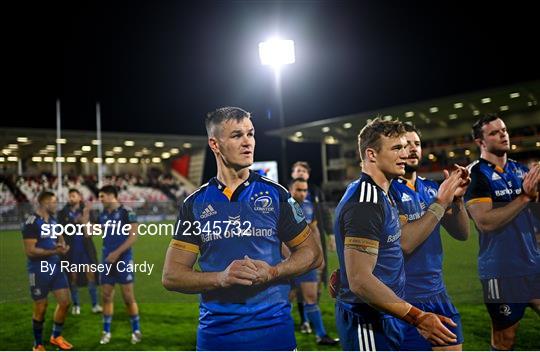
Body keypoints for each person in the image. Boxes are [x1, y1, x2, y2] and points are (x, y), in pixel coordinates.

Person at [162, 106, 322, 350]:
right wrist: (221, 278)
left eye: (251, 134)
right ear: (215, 145)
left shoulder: (276, 195)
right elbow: (171, 275)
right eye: (237, 135)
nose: (248, 142)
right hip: (217, 338)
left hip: (275, 336)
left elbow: (312, 254)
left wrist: (273, 272)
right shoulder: (194, 204)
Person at [334, 118, 461, 350]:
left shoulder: (382, 194)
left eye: (405, 147)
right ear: (371, 154)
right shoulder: (367, 202)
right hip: (368, 321)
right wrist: (419, 317)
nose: (405, 154)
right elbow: (361, 281)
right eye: (396, 148)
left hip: (387, 313)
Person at [390, 123, 470, 350]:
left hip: (437, 292)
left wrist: (457, 200)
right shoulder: (388, 191)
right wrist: (441, 203)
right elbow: (404, 243)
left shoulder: (431, 188)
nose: (413, 148)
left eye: (417, 143)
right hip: (406, 298)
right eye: (406, 144)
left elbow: (462, 233)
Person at [464, 114, 540, 350]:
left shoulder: (521, 170)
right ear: (480, 142)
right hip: (502, 271)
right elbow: (485, 222)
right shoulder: (475, 174)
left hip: (534, 264)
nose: (503, 134)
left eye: (504, 130)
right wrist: (525, 197)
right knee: (505, 337)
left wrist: (536, 198)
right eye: (494, 133)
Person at [288, 177, 339, 345]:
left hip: (306, 260)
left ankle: (321, 335)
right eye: (299, 190)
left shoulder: (309, 206)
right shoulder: (281, 207)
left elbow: (314, 230)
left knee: (311, 296)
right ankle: (280, 337)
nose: (302, 193)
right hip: (285, 263)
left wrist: (319, 256)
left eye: (305, 190)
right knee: (286, 299)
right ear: (290, 190)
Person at [22, 191, 73, 351]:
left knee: (65, 303)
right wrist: (54, 252)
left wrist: (63, 247)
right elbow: (30, 251)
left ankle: (55, 336)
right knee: (41, 307)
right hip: (38, 270)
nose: (56, 205)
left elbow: (60, 237)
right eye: (53, 202)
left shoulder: (53, 220)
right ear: (44, 203)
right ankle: (37, 344)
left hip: (55, 267)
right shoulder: (31, 223)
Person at [97, 185, 142, 345]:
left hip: (123, 259)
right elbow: (93, 231)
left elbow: (133, 237)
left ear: (111, 195)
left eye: (102, 196)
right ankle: (106, 331)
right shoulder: (103, 214)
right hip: (107, 260)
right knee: (106, 296)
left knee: (128, 297)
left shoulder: (127, 212)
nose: (100, 199)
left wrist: (116, 253)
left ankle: (136, 330)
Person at [57, 188, 101, 315]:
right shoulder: (62, 212)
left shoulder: (86, 210)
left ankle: (95, 304)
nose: (71, 198)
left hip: (85, 248)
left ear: (79, 197)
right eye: (69, 196)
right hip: (71, 249)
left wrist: (85, 220)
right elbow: (59, 230)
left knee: (91, 275)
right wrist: (62, 242)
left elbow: (93, 230)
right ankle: (76, 305)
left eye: (73, 196)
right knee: (73, 277)